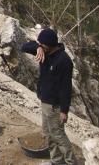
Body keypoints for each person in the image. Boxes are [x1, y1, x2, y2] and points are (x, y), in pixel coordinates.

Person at [21, 28, 75, 165]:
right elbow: (24, 46)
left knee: (58, 135)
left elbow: (66, 87)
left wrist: (64, 110)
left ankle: (71, 162)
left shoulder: (64, 61)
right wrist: (37, 46)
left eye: (43, 44)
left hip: (54, 105)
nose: (41, 46)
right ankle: (56, 161)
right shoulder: (44, 51)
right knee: (48, 134)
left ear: (50, 45)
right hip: (45, 101)